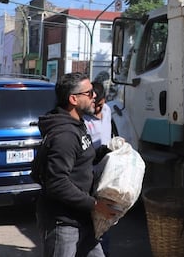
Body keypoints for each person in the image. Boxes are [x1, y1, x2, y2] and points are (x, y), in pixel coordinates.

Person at [36, 72, 116, 257]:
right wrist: (95, 205)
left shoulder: (77, 124)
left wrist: (108, 151)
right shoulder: (64, 135)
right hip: (63, 222)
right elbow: (57, 183)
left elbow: (82, 159)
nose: (94, 96)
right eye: (89, 93)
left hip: (82, 216)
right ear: (73, 99)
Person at [83, 80, 113, 255]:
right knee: (93, 219)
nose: (97, 109)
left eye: (100, 105)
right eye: (95, 105)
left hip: (107, 174)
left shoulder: (107, 111)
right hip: (90, 175)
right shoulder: (83, 119)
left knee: (105, 220)